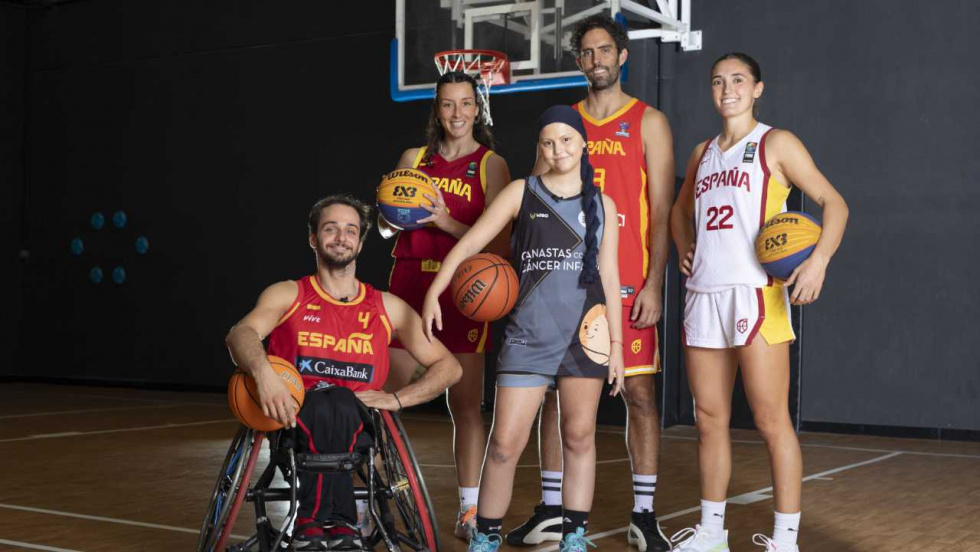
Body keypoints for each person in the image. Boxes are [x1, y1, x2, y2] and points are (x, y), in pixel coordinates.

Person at [422, 105, 624, 552]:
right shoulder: (521, 192)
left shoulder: (602, 205)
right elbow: (472, 243)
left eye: (566, 140)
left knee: (579, 437)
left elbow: (610, 276)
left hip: (584, 337)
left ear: (583, 143)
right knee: (503, 444)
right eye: (548, 143)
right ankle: (486, 537)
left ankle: (574, 536)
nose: (558, 150)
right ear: (540, 148)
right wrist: (436, 288)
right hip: (526, 337)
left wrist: (617, 346)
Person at [668, 53, 848, 552]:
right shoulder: (702, 153)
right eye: (718, 81)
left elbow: (835, 203)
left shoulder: (776, 143)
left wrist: (818, 262)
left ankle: (785, 540)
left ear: (757, 88)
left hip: (756, 294)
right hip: (704, 295)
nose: (727, 89)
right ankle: (711, 533)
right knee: (709, 420)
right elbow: (678, 212)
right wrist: (684, 245)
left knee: (771, 421)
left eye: (738, 80)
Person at [510, 15, 675, 552]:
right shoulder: (563, 124)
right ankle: (552, 509)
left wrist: (654, 283)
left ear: (622, 56)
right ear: (578, 60)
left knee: (640, 395)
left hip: (626, 282)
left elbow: (661, 209)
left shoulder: (648, 121)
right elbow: (536, 201)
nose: (596, 59)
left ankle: (643, 515)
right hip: (565, 284)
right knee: (555, 396)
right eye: (586, 52)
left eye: (605, 50)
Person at [225, 195, 462, 551]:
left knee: (340, 400)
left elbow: (450, 367)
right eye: (330, 229)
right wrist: (263, 372)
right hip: (292, 418)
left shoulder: (386, 306)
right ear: (313, 238)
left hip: (359, 420)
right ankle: (340, 522)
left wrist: (398, 398)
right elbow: (240, 334)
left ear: (360, 243)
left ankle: (312, 522)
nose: (341, 237)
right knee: (326, 401)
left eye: (350, 230)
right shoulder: (289, 294)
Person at [382, 70, 512, 540]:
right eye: (448, 104)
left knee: (465, 404)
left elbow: (499, 244)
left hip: (463, 290)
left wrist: (444, 220)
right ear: (437, 110)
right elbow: (388, 228)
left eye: (465, 103)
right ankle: (371, 498)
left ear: (477, 109)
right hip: (409, 284)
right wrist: (390, 212)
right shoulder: (413, 159)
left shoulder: (491, 165)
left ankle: (469, 510)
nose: (457, 113)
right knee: (384, 397)